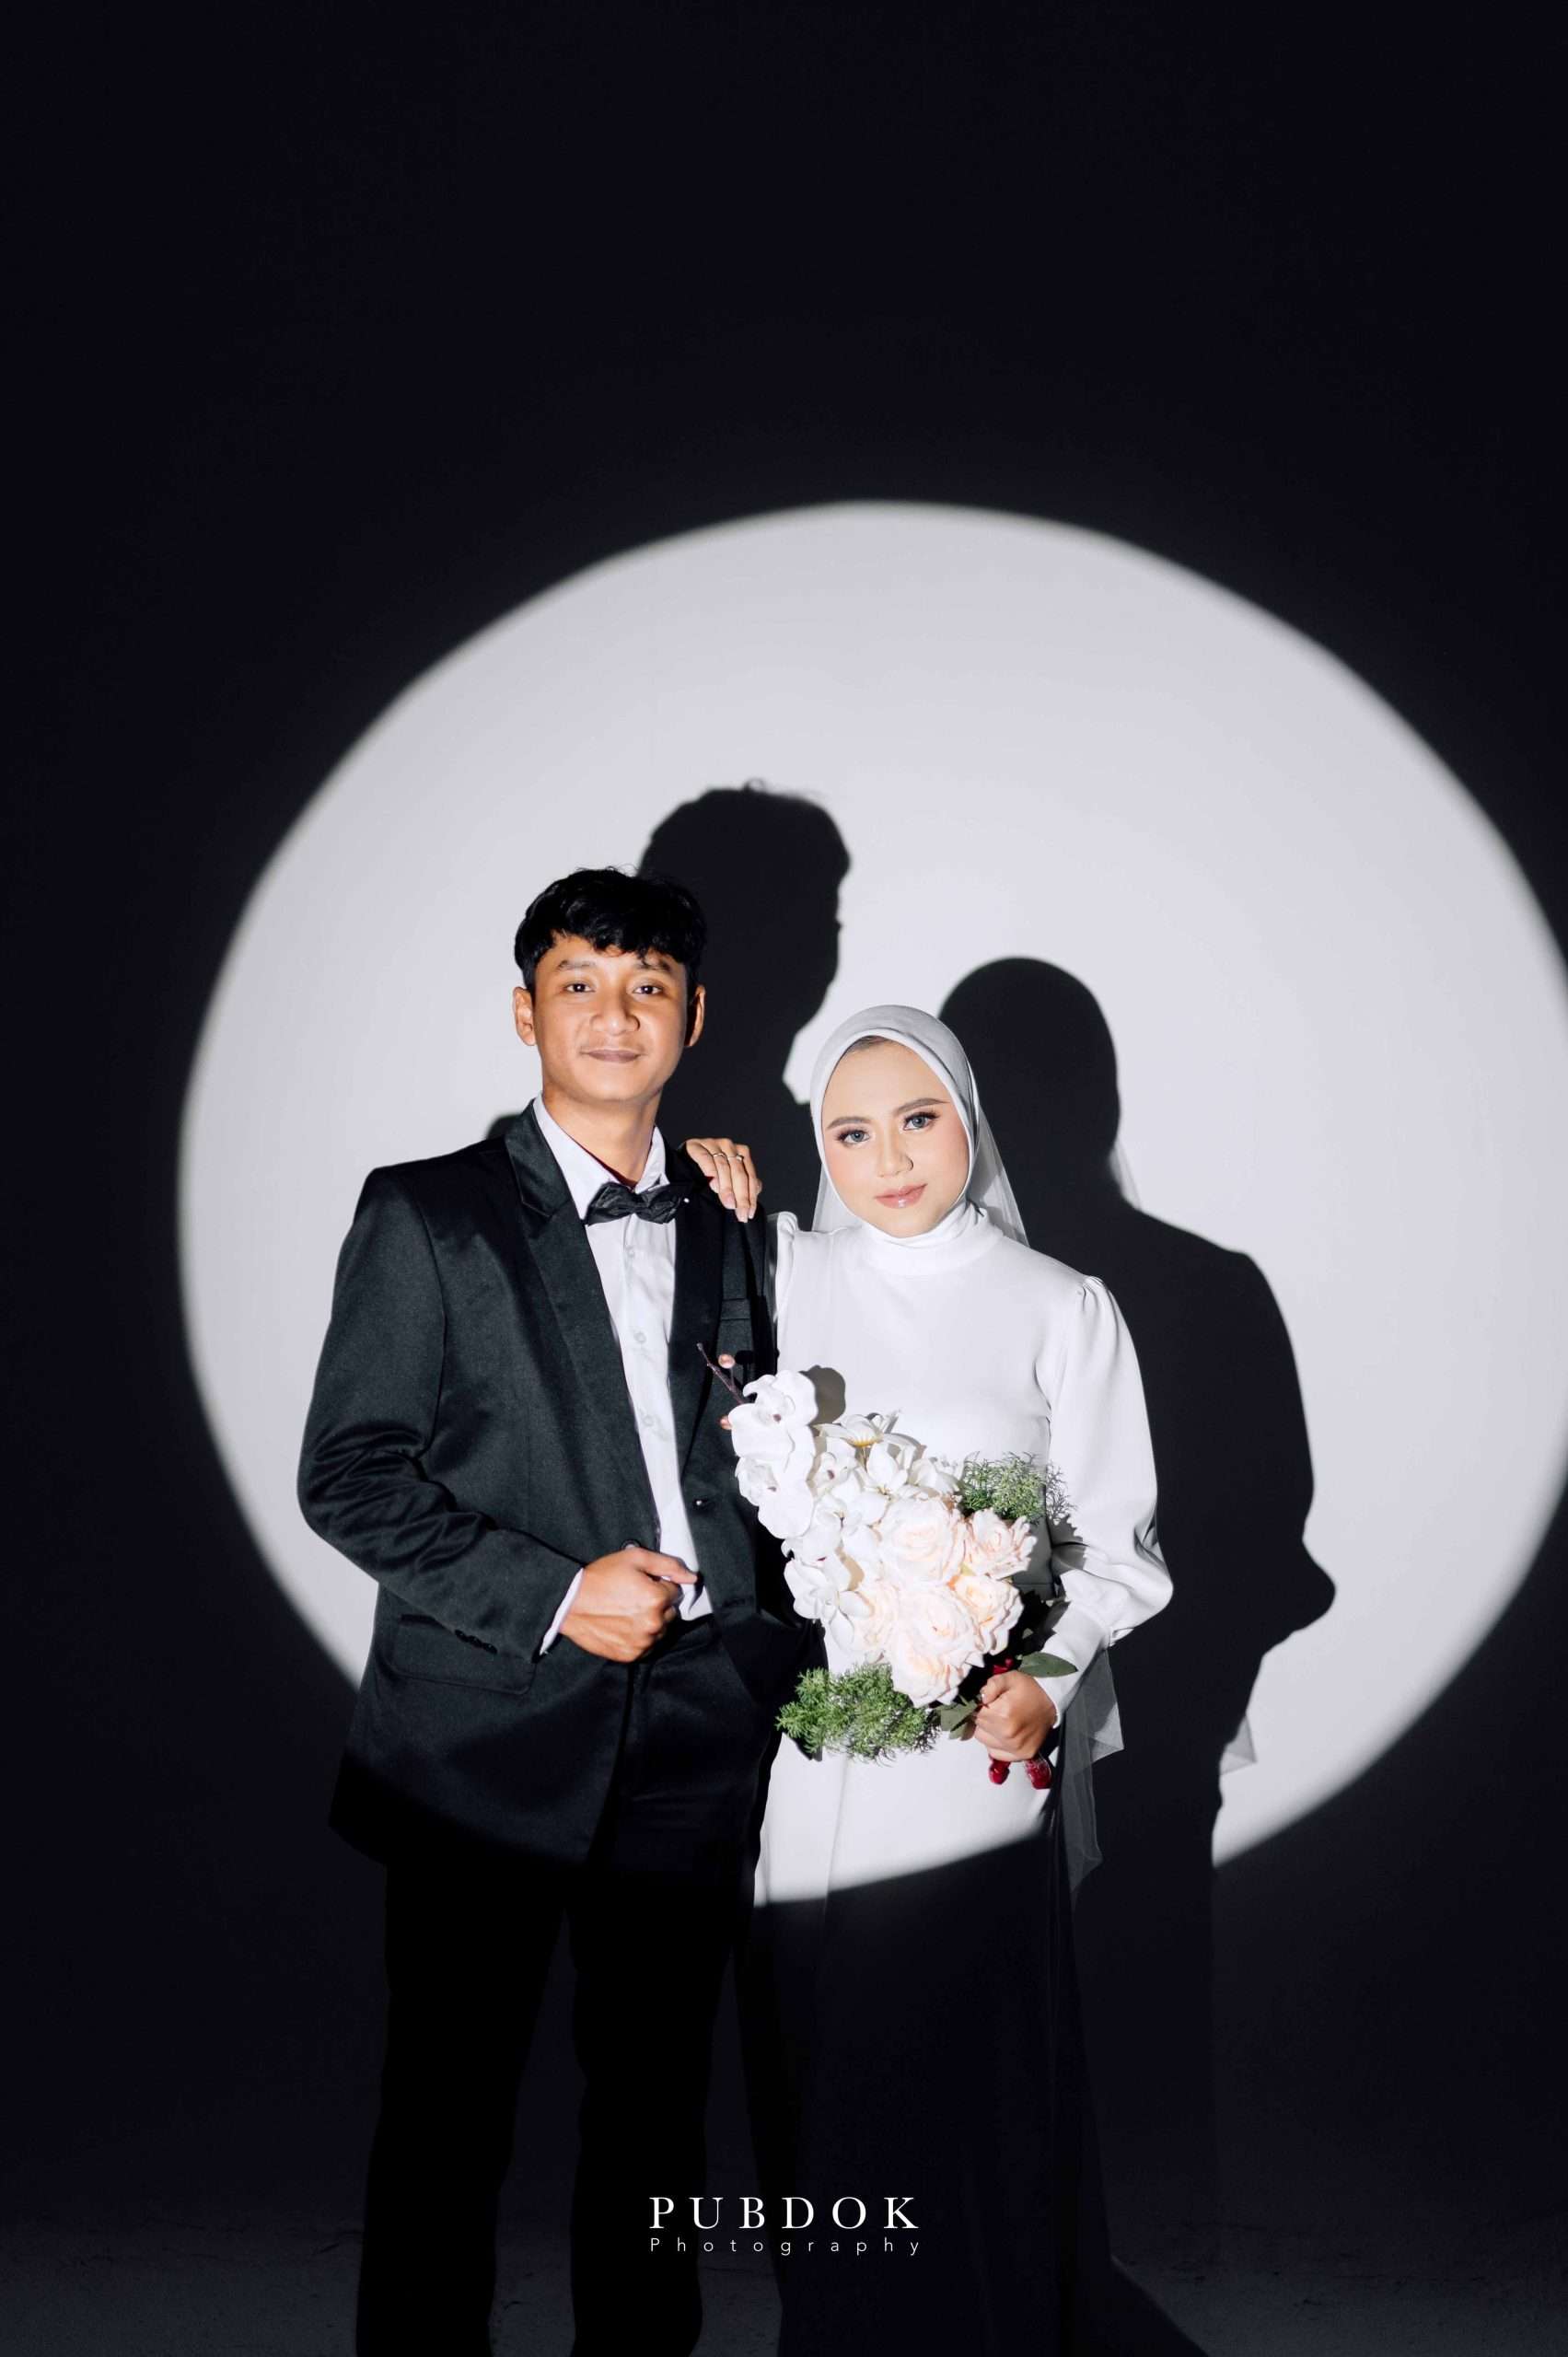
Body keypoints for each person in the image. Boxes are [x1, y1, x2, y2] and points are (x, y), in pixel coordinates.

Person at [296, 866, 807, 2357]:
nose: (614, 1013)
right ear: (526, 1013)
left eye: (649, 986)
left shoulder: (732, 1213)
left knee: (657, 2125)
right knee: (446, 2122)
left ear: (693, 1018)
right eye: (579, 982)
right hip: (480, 1746)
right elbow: (349, 1474)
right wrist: (557, 1595)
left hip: (697, 1737)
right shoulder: (426, 1213)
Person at [737, 1005, 1174, 2355]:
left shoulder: (1059, 1305)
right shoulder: (786, 1274)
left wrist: (1047, 1676)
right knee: (814, 2037)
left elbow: (1118, 1547)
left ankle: (986, 2321)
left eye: (917, 1120)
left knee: (952, 2047)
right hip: (817, 1743)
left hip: (972, 1744)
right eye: (851, 1132)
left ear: (969, 1122)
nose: (889, 1159)